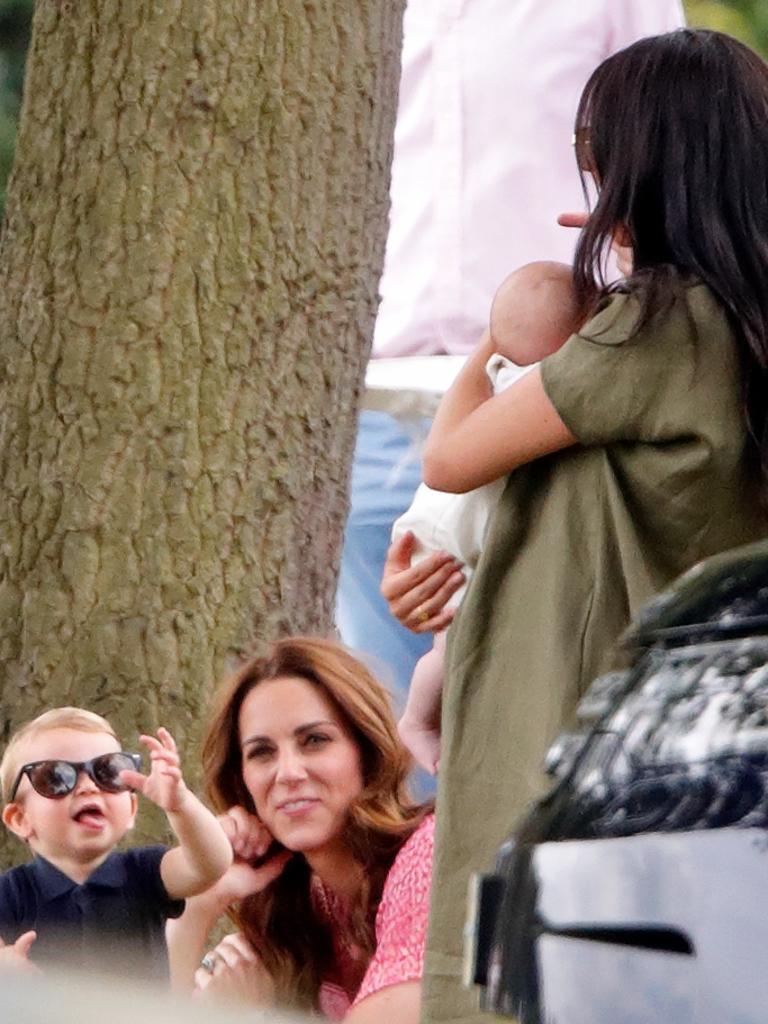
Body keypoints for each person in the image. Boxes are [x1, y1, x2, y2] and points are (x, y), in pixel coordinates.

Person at [383, 28, 768, 1024]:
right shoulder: (737, 324)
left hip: (574, 740)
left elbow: (450, 454)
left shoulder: (655, 326)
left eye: (595, 157)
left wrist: (508, 324)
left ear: (640, 166)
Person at [336, 0, 687, 707]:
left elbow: (678, 134)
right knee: (386, 708)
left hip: (554, 380)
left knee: (539, 674)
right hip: (372, 391)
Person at [166, 636, 434, 1022]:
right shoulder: (289, 909)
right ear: (242, 781)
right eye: (262, 752)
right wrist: (203, 899)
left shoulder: (425, 857)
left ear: (367, 751)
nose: (288, 773)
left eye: (314, 741)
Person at [394, 261, 584, 772]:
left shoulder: (492, 374)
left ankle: (415, 718)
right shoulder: (556, 385)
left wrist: (491, 344)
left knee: (442, 645)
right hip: (470, 524)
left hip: (432, 522)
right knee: (448, 643)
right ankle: (416, 721)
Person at [0, 707, 233, 983]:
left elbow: (211, 864)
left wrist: (180, 804)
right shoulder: (13, 892)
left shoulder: (144, 872)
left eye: (108, 771)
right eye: (56, 777)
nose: (88, 787)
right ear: (20, 818)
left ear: (132, 808)